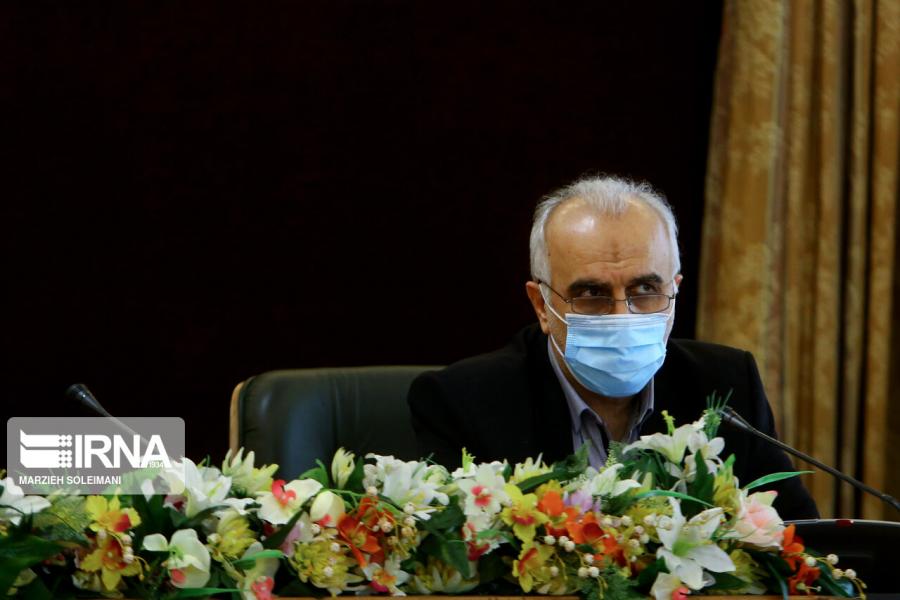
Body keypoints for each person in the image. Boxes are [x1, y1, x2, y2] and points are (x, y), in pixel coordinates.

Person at [407, 175, 818, 521]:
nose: (623, 315)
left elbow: (799, 543)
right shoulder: (465, 403)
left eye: (645, 289)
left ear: (674, 291)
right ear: (542, 306)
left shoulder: (726, 385)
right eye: (592, 293)